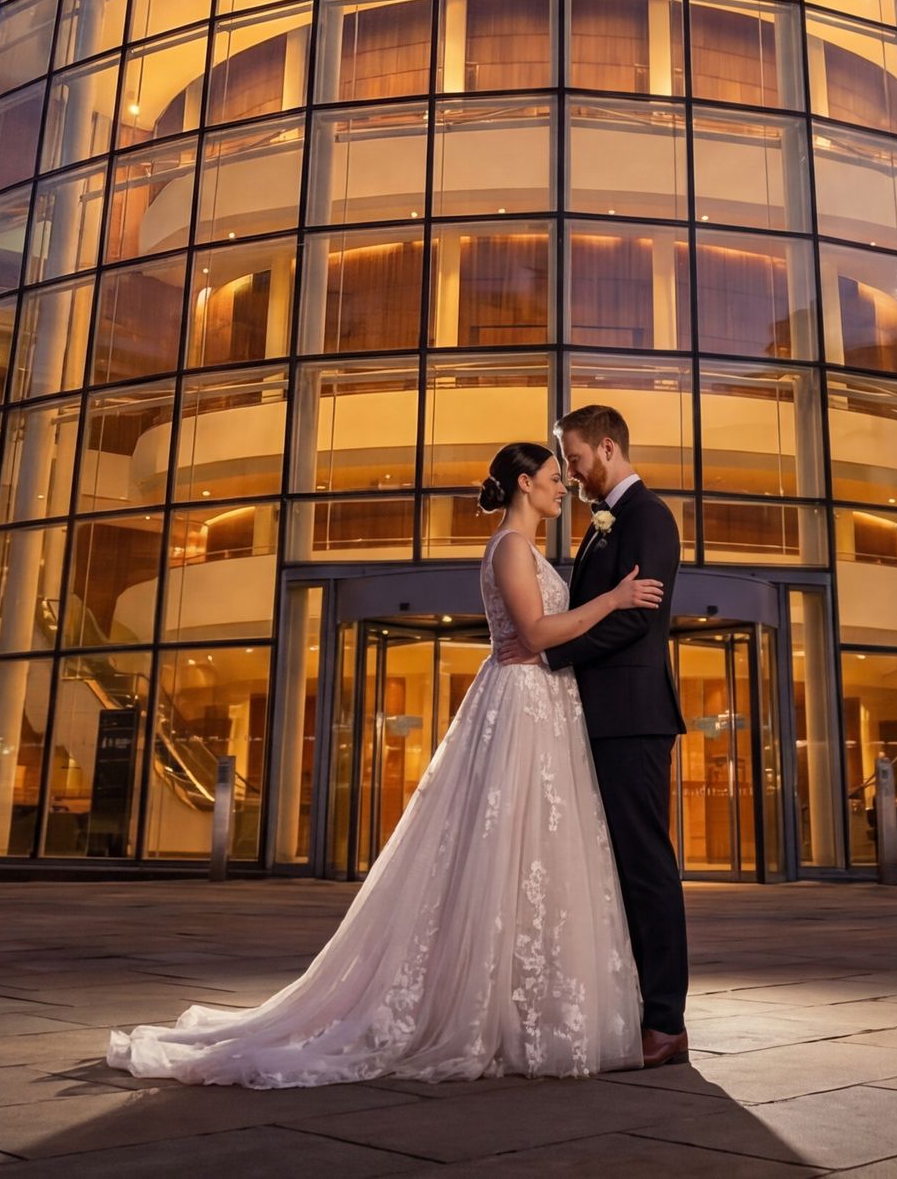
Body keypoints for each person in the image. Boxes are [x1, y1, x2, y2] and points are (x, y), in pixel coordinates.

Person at [108, 440, 662, 1083]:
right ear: (523, 482)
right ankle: (479, 1005)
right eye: (551, 477)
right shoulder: (509, 548)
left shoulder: (528, 549)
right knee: (502, 848)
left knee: (534, 852)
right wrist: (614, 602)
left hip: (543, 703)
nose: (562, 488)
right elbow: (535, 634)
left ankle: (522, 999)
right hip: (519, 703)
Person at [515, 403, 691, 1069]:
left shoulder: (649, 516)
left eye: (576, 456)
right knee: (616, 868)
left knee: (645, 866)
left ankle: (667, 1022)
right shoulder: (605, 521)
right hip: (603, 716)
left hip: (632, 717)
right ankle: (635, 1008)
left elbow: (635, 624)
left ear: (608, 447)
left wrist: (549, 657)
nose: (570, 470)